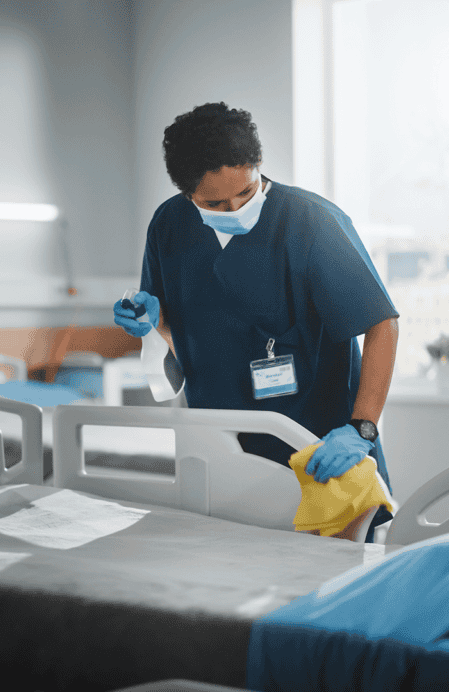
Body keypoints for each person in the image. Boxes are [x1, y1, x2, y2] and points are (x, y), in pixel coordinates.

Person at [114, 102, 399, 543]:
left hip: (320, 447)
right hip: (222, 445)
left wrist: (362, 428)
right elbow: (178, 331)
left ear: (258, 167)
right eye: (215, 202)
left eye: (247, 192)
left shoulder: (311, 222)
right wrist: (150, 323)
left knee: (328, 585)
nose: (236, 208)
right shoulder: (169, 226)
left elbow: (381, 323)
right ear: (186, 193)